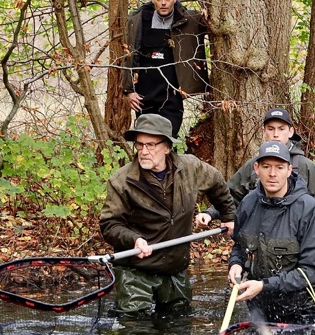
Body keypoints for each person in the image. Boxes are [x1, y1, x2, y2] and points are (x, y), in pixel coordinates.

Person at [99, 114, 236, 316]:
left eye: (151, 145)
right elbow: (110, 224)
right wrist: (134, 239)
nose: (144, 152)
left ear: (167, 147)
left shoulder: (190, 168)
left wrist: (228, 216)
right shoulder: (121, 181)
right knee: (135, 331)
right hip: (135, 270)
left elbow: (217, 184)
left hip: (175, 268)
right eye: (139, 145)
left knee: (178, 326)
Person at [228, 140, 315, 324]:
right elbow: (238, 245)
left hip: (301, 309)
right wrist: (235, 264)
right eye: (266, 166)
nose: (272, 174)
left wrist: (264, 285)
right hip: (259, 304)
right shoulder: (247, 204)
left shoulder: (312, 211)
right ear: (256, 168)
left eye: (279, 167)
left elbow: (312, 271)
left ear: (289, 170)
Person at [196, 108, 315, 226]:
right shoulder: (253, 164)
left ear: (290, 132)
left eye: (281, 129)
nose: (276, 134)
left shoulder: (306, 166)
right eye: (271, 129)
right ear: (264, 132)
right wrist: (210, 213)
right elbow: (231, 195)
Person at [122, 0, 208, 137]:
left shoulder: (188, 19)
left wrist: (205, 2)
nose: (163, 3)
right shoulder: (138, 20)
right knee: (147, 141)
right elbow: (129, 55)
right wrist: (128, 91)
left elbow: (211, 23)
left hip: (172, 97)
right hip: (144, 98)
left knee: (167, 141)